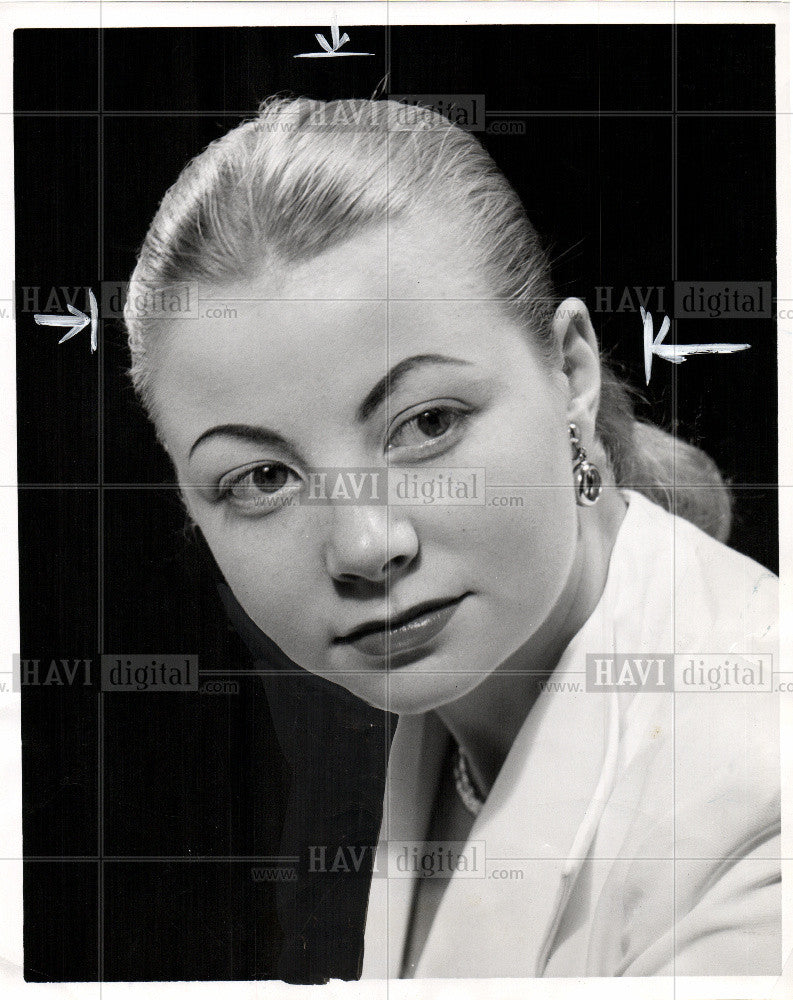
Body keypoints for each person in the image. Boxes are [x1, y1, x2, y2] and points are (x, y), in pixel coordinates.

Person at [123, 96, 780, 979]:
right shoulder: (453, 719)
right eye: (263, 480)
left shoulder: (760, 802)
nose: (363, 545)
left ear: (572, 375)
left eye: (427, 422)